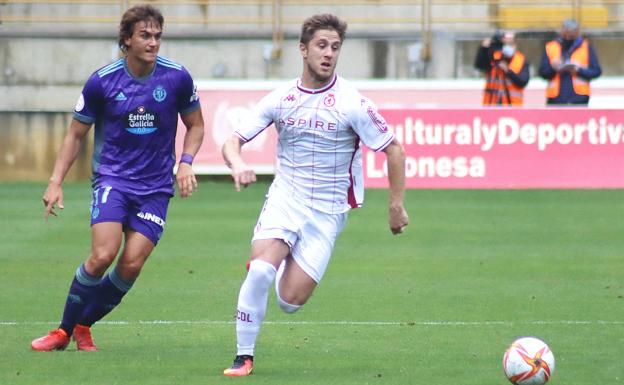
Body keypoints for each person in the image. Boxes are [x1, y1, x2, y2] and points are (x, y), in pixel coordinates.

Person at [220, 13, 409, 377]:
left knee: (290, 302)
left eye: (335, 47)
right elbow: (232, 141)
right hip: (285, 198)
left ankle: (278, 263)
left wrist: (395, 206)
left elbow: (395, 149)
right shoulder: (282, 98)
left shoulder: (352, 102)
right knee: (258, 270)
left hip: (327, 212)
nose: (329, 54)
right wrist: (237, 164)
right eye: (322, 46)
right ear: (303, 49)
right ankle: (244, 356)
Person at [31, 4, 204, 352]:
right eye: (145, 35)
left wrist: (185, 162)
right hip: (114, 180)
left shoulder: (177, 77)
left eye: (157, 35)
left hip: (155, 187)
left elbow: (196, 124)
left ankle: (84, 325)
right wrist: (55, 181)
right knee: (103, 256)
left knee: (132, 264)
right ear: (126, 40)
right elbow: (75, 135)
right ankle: (63, 332)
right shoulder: (102, 81)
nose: (153, 42)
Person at [538, 19, 602, 105]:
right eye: (566, 33)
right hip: (556, 100)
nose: (568, 36)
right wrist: (553, 68)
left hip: (579, 99)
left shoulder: (586, 47)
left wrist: (579, 71)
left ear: (577, 32)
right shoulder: (551, 47)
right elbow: (542, 73)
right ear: (562, 31)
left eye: (571, 34)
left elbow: (596, 71)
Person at [474, 31, 530, 106]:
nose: (507, 47)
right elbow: (480, 65)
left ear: (515, 44)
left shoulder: (520, 60)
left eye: (510, 43)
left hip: (512, 105)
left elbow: (523, 81)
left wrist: (508, 71)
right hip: (491, 104)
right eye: (505, 44)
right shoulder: (493, 57)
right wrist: (483, 49)